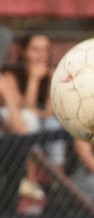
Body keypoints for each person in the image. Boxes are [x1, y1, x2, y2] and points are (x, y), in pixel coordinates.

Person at [0, 32, 67, 203]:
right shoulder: (11, 74)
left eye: (45, 50)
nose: (41, 55)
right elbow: (23, 109)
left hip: (43, 125)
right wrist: (34, 80)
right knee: (29, 118)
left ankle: (58, 182)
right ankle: (31, 178)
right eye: (35, 50)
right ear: (24, 52)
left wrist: (50, 80)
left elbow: (51, 111)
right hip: (19, 127)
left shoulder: (52, 74)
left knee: (53, 125)